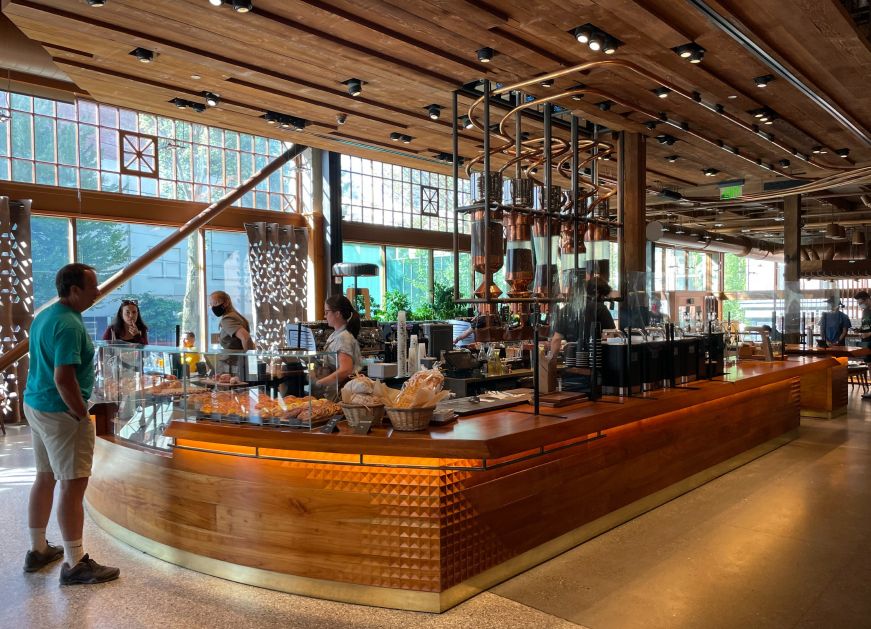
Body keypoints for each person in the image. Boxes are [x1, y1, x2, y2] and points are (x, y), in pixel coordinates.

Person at [22, 263, 120, 585]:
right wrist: (82, 415)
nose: (98, 292)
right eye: (93, 287)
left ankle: (38, 550)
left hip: (36, 404)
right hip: (60, 412)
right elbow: (63, 378)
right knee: (72, 485)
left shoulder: (45, 316)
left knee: (45, 477)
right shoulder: (69, 325)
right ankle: (75, 562)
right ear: (74, 289)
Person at [549, 277, 616, 392]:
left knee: (573, 401)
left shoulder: (566, 310)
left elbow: (556, 339)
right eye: (604, 296)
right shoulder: (600, 309)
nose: (603, 299)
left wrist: (552, 365)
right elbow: (612, 337)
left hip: (571, 367)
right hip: (594, 369)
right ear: (597, 293)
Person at [316, 295, 362, 398]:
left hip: (343, 392)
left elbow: (345, 370)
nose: (324, 316)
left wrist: (320, 383)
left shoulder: (343, 337)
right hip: (336, 389)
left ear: (337, 313)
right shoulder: (335, 334)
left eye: (327, 312)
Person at [209, 291, 254, 377]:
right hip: (236, 366)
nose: (213, 307)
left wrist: (247, 360)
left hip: (233, 367)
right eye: (211, 304)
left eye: (216, 303)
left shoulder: (227, 319)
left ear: (226, 303)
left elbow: (246, 338)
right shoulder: (236, 315)